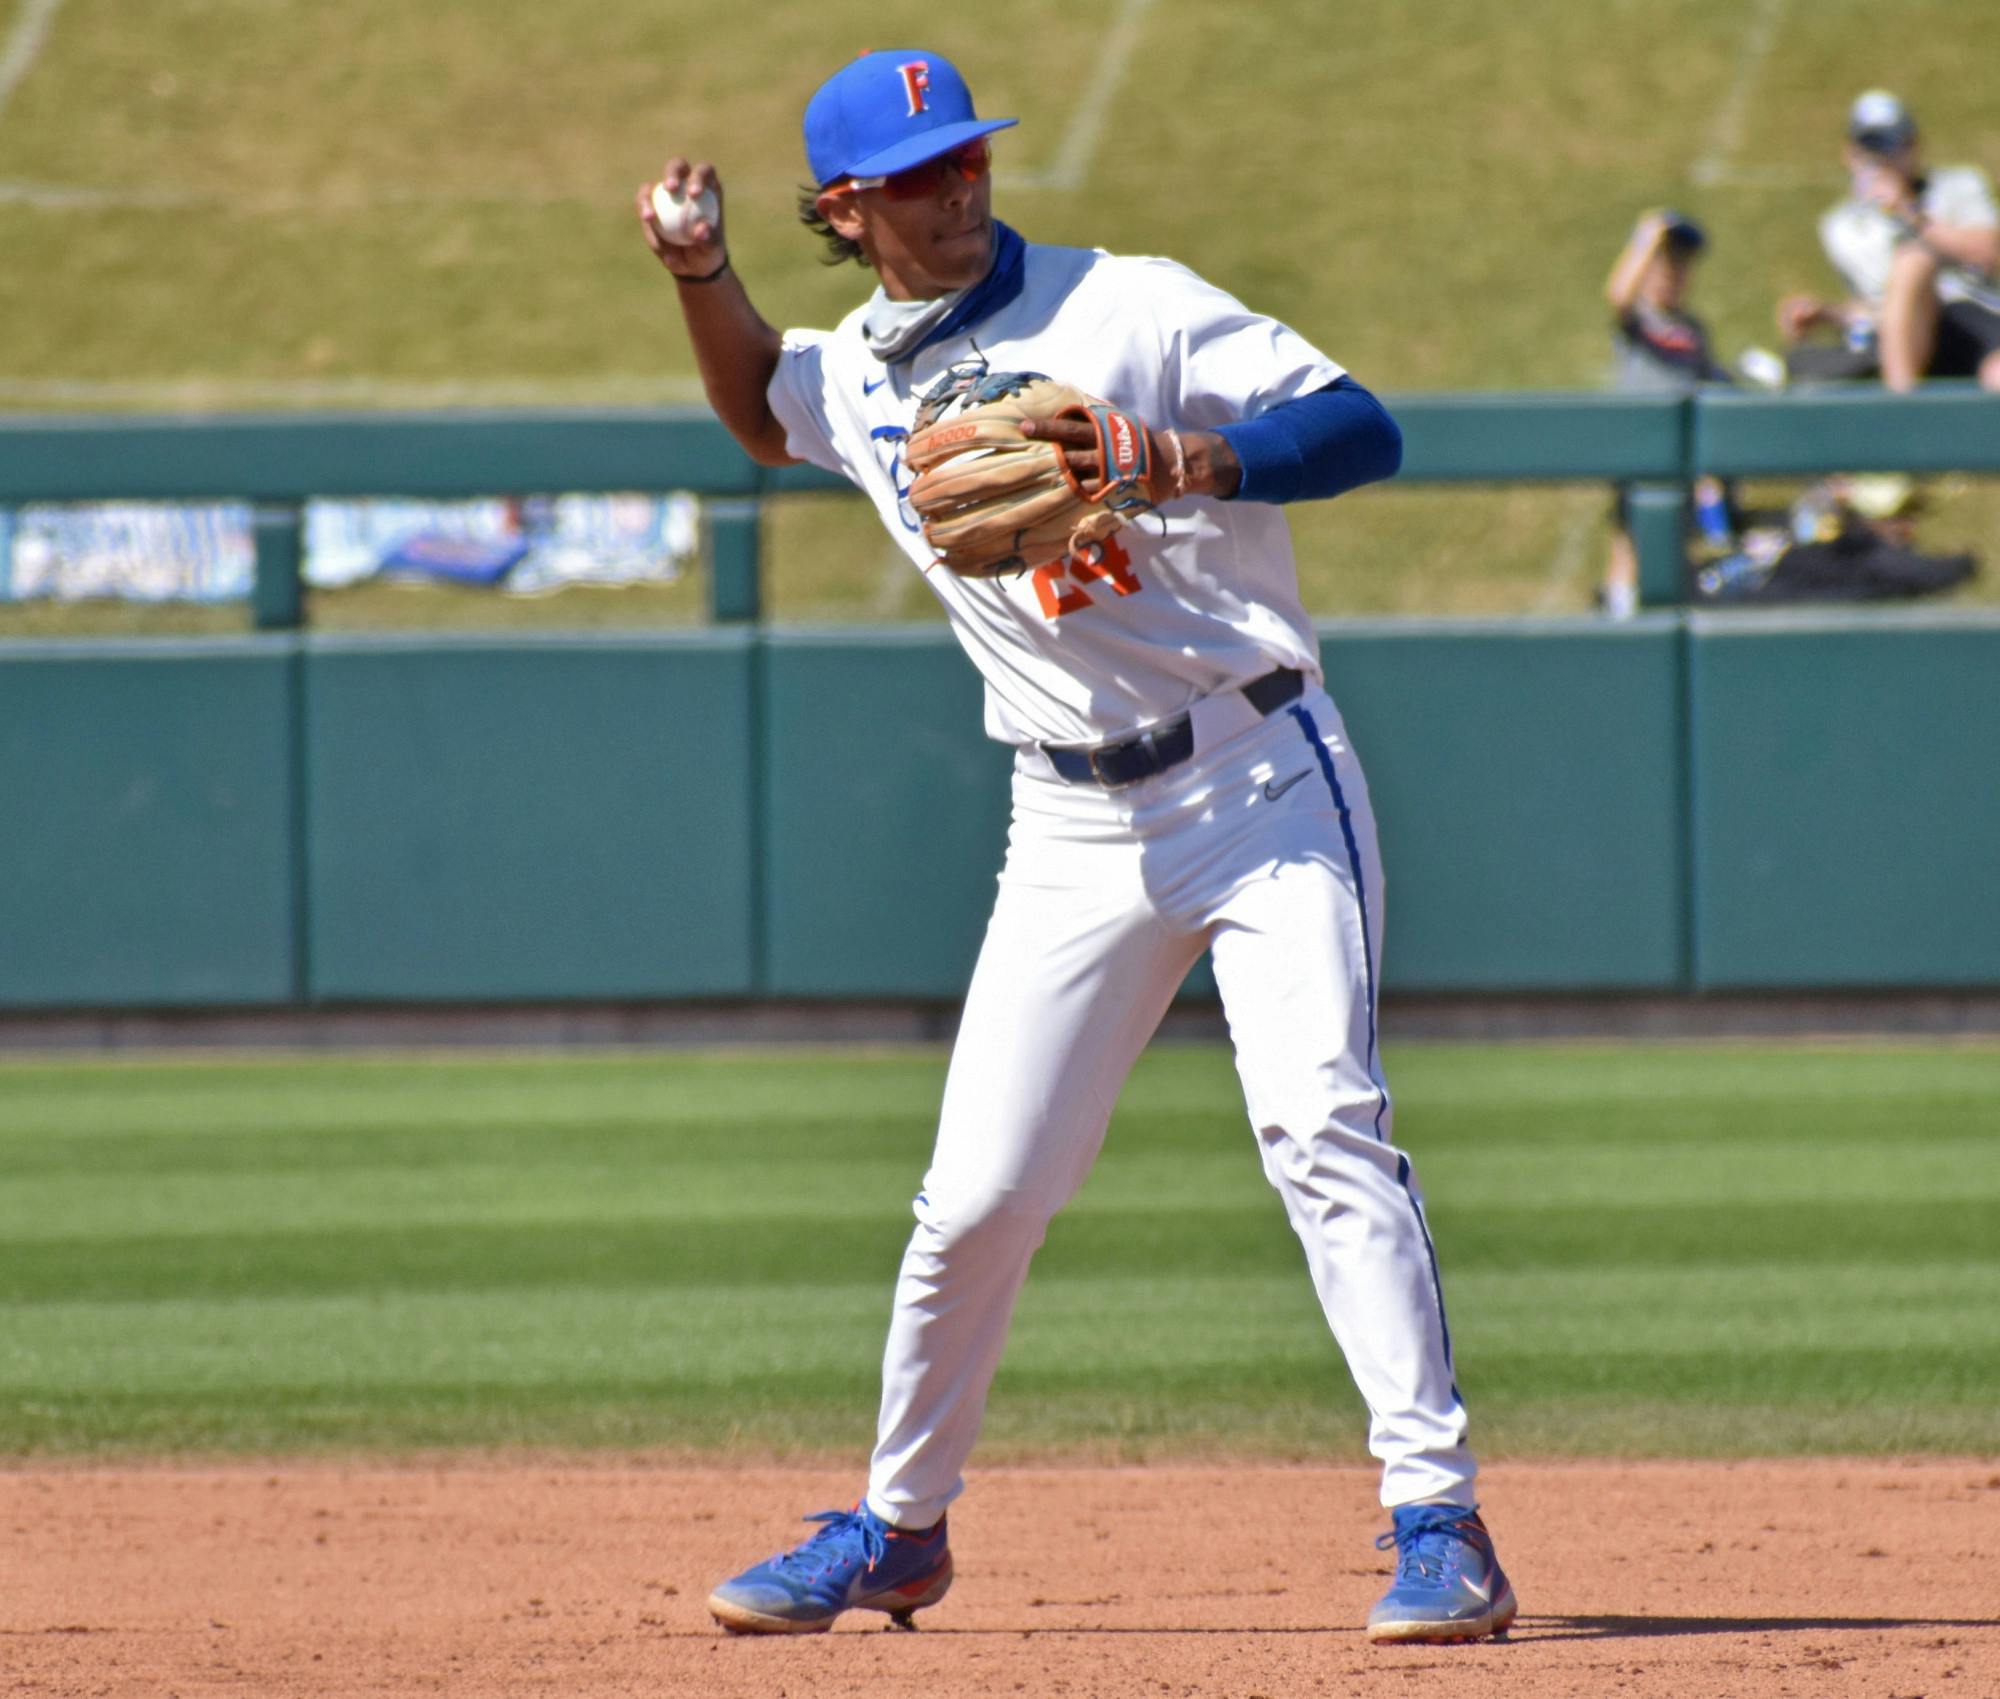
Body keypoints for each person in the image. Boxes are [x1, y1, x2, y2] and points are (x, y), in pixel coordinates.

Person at [638, 49, 1514, 1646]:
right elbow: (762, 407)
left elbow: (1364, 425)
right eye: (917, 173)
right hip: (1065, 820)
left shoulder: (1134, 304)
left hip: (1259, 775)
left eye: (968, 155)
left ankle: (1440, 1519)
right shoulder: (856, 376)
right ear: (849, 209)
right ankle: (899, 1528)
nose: (959, 185)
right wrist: (702, 271)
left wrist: (1196, 457)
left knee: (1322, 1121)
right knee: (975, 1196)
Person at [1777, 91, 2000, 391]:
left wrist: (1910, 213)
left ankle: (1901, 401)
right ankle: (1903, 406)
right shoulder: (1843, 227)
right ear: (1849, 152)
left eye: (1892, 144)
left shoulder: (1958, 186)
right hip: (1903, 339)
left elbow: (1989, 252)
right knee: (1909, 266)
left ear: (1913, 146)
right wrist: (1827, 313)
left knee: (1914, 262)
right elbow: (1876, 309)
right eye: (1868, 146)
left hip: (1971, 316)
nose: (1881, 157)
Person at [1601, 208, 1733, 616]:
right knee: (1630, 537)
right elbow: (1619, 294)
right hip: (1638, 443)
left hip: (1683, 451)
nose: (1671, 276)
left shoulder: (1692, 329)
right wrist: (1646, 238)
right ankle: (1618, 611)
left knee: (1678, 537)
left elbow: (1708, 384)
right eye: (1661, 265)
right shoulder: (1640, 321)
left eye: (1680, 267)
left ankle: (1659, 610)